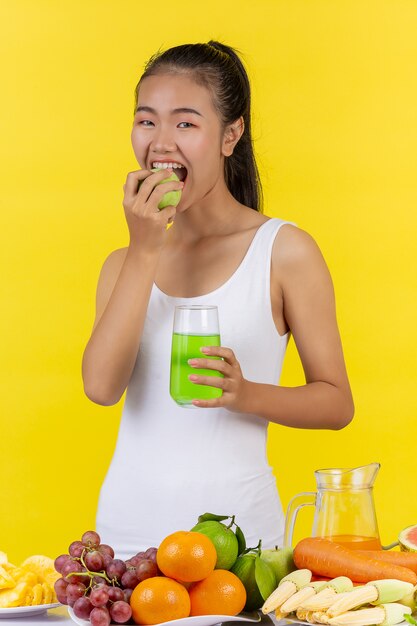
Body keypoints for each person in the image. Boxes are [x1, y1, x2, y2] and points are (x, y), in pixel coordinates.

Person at [82, 41, 354, 559]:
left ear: (232, 134)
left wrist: (244, 393)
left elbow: (337, 402)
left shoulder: (283, 251)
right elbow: (100, 387)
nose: (161, 144)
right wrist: (145, 250)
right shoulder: (123, 261)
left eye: (186, 124)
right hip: (126, 542)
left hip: (240, 545)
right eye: (147, 121)